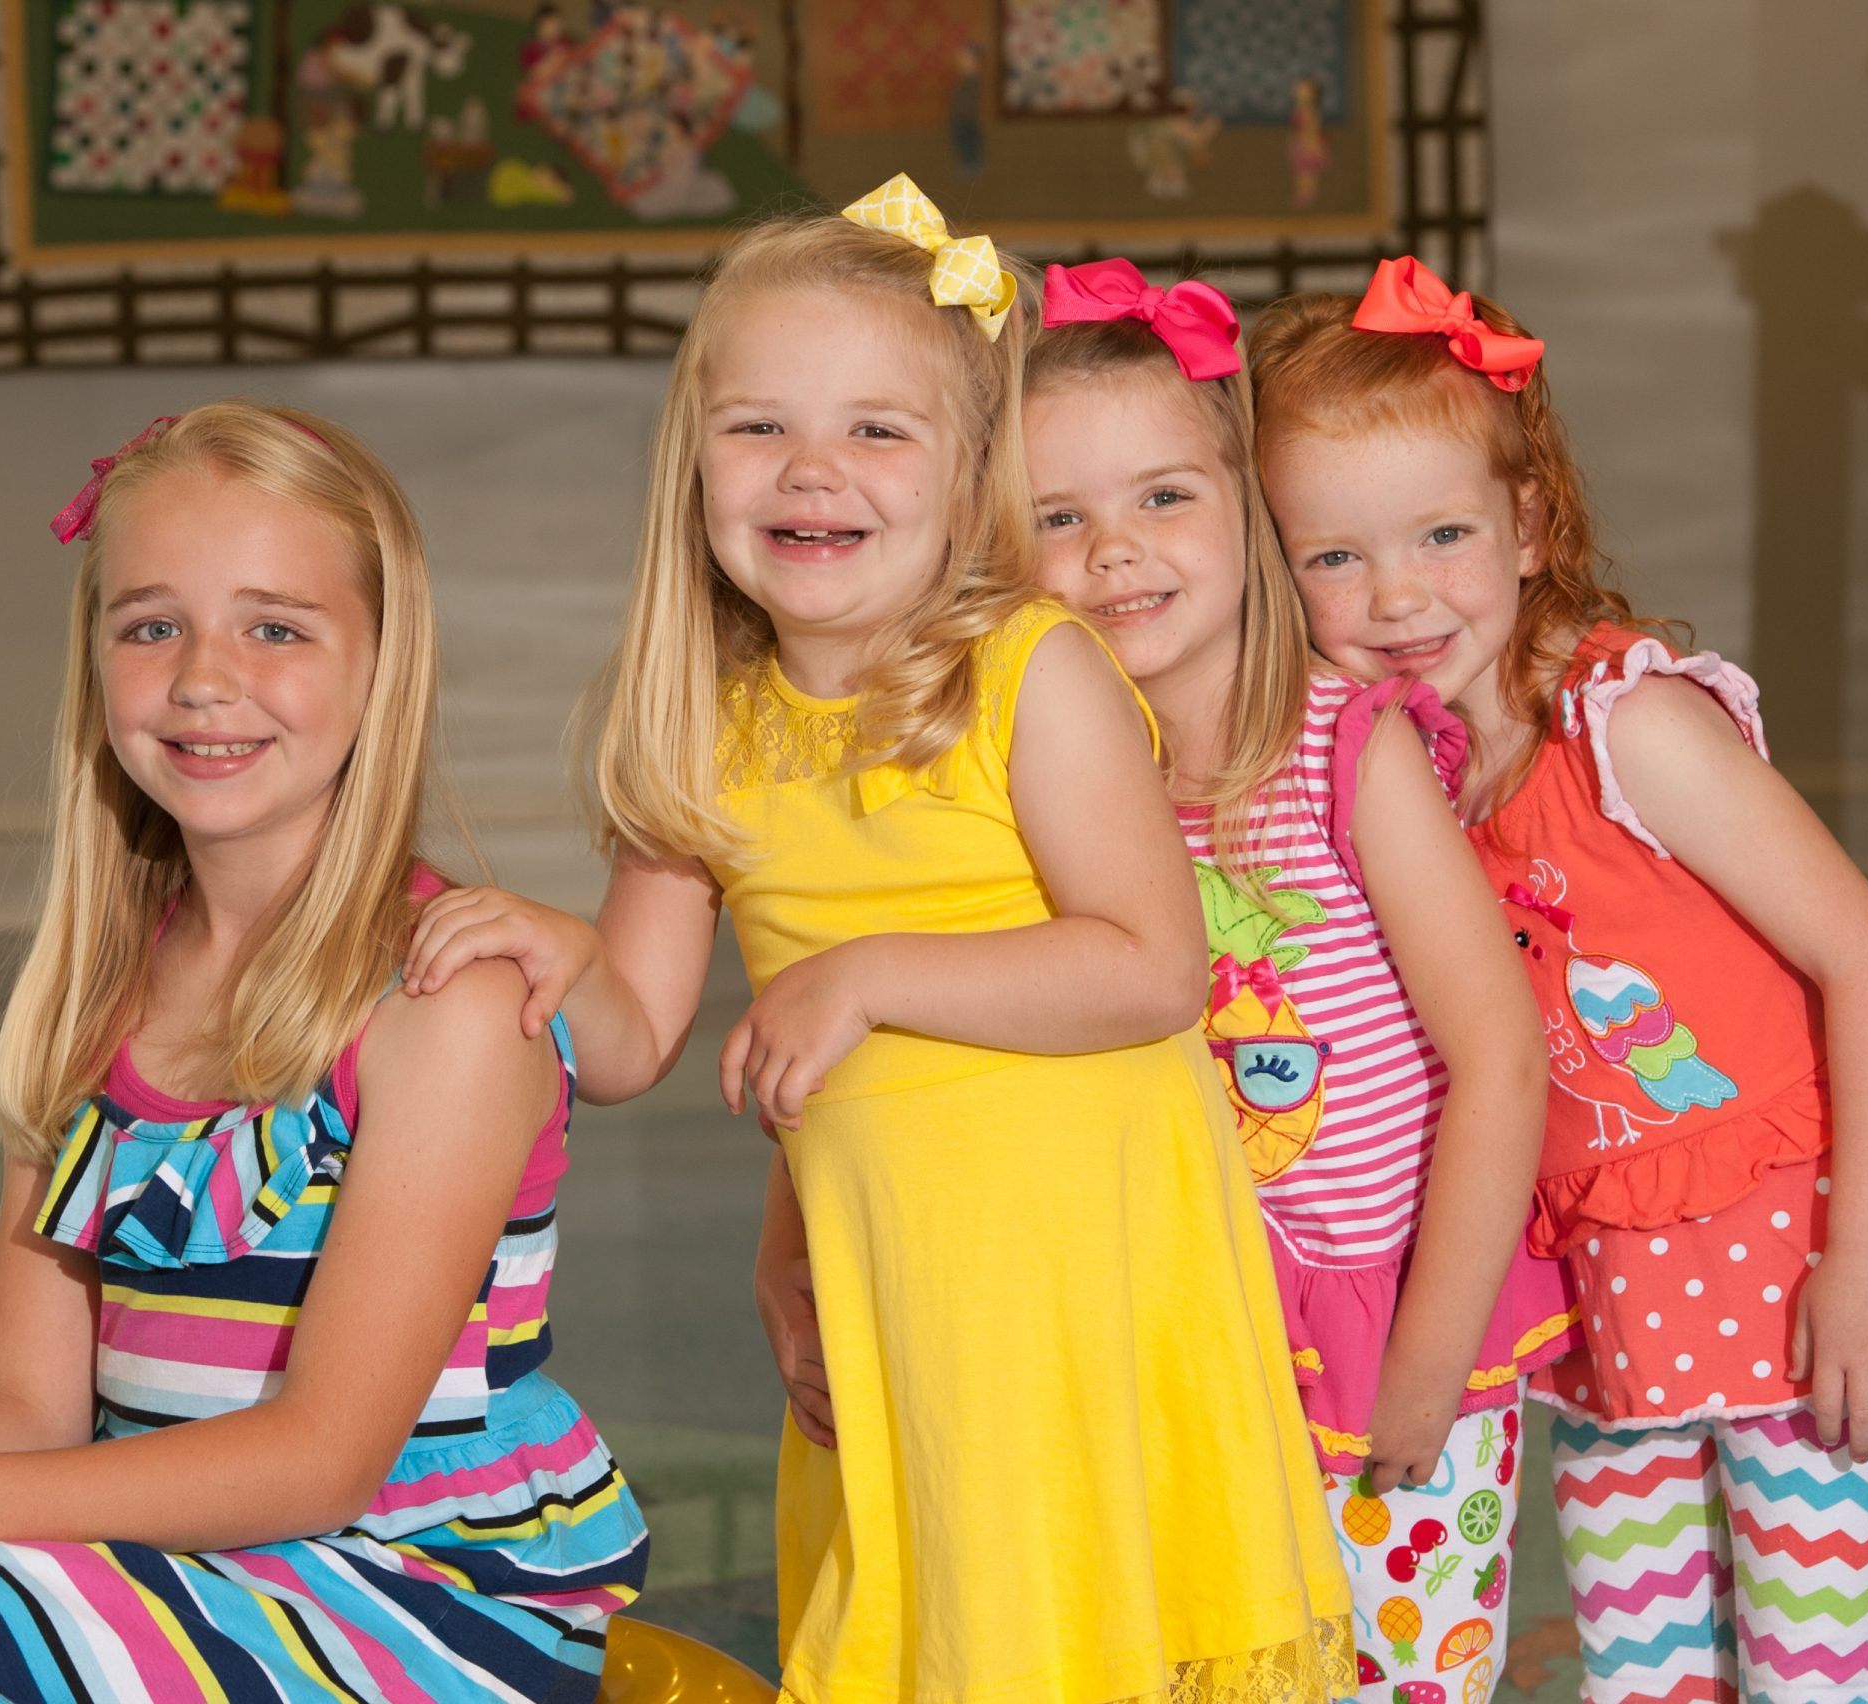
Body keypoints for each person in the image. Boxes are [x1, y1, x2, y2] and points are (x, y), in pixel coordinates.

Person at [402, 179, 1354, 1704]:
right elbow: (637, 1030)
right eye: (759, 426)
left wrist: (871, 973)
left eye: (878, 430)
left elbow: (1151, 969)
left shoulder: (1030, 673)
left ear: (973, 468)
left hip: (1077, 1286)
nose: (813, 469)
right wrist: (539, 948)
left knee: (1081, 1638)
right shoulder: (706, 725)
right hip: (893, 1301)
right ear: (693, 461)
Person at [0, 402, 648, 1704]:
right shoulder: (92, 1002)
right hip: (186, 1551)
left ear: (384, 665)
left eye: (276, 627)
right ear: (97, 665)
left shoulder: (447, 1004)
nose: (204, 676)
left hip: (416, 1581)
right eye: (152, 625)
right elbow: (26, 1403)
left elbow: (324, 1461)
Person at [1249, 257, 1868, 1704]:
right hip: (1602, 1303)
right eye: (1330, 556)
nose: (1395, 595)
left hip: (1800, 1271)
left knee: (1815, 1672)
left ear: (1528, 525)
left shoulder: (1627, 723)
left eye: (1442, 533)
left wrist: (1863, 1261)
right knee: (1640, 1674)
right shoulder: (1391, 783)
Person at [1014, 258, 1560, 1702]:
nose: (1112, 551)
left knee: (1398, 1680)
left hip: (1385, 1326)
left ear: (1249, 515)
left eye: (1162, 499)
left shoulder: (1346, 747)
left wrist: (1434, 1360)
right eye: (1055, 518)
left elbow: (1499, 1056)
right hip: (1184, 1335)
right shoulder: (1062, 778)